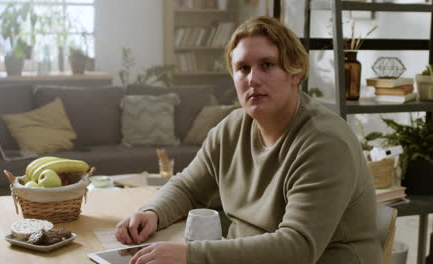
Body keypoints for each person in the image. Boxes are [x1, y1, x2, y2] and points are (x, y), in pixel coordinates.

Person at [115, 16, 381, 264]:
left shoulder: (325, 143)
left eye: (266, 65)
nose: (253, 79)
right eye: (243, 68)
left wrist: (191, 256)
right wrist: (152, 213)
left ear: (295, 72)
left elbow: (297, 247)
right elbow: (188, 187)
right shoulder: (231, 129)